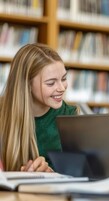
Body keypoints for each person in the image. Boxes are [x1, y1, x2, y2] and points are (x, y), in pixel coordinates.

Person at [0, 43, 78, 172]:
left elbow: (78, 174)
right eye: (51, 83)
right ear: (27, 85)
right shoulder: (3, 114)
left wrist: (51, 174)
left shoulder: (70, 116)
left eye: (64, 78)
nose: (62, 88)